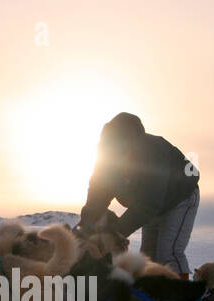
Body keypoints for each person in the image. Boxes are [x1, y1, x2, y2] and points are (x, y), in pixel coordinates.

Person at [77, 112, 200, 275]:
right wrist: (86, 226)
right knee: (147, 257)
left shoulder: (154, 152)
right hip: (150, 205)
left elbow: (150, 203)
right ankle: (152, 297)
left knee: (168, 254)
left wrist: (115, 234)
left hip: (180, 199)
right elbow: (98, 193)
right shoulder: (106, 155)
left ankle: (183, 297)